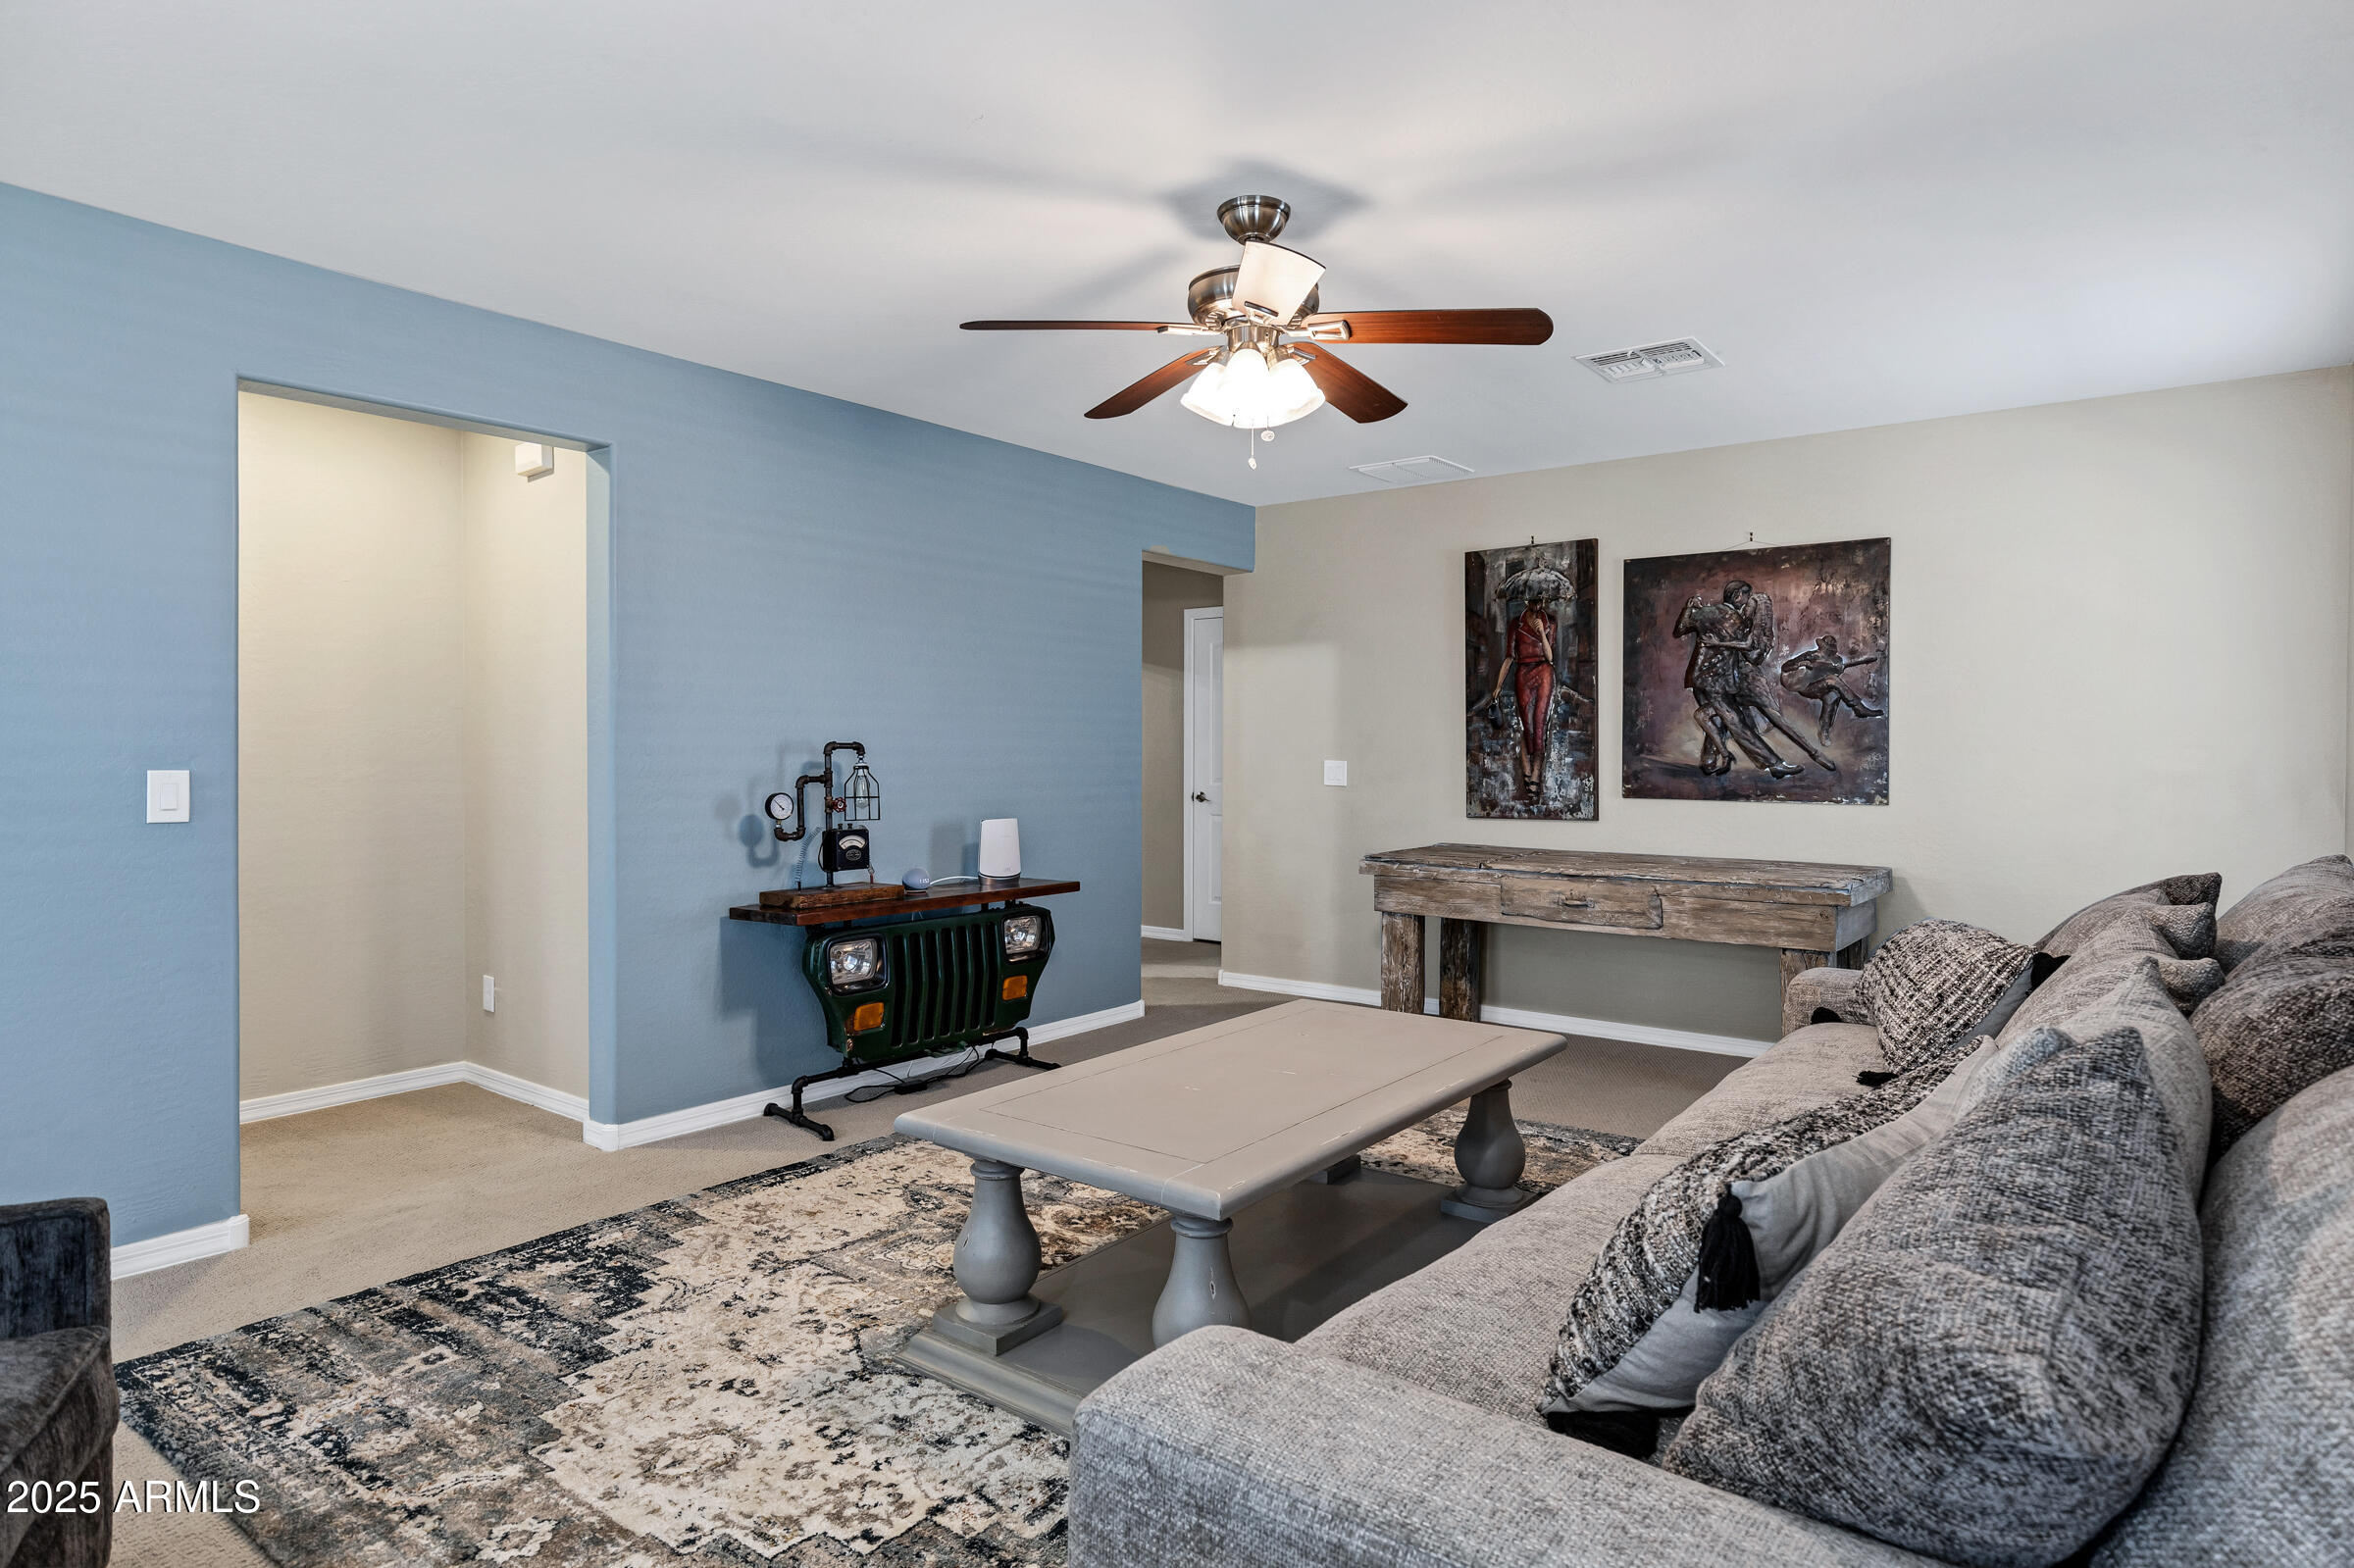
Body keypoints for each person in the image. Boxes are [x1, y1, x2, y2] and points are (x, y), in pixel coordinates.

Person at [1483, 598, 1559, 797]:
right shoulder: (1515, 623)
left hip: (1544, 672)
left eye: (1541, 600)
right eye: (1534, 601)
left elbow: (1550, 657)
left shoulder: (1550, 621)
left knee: (1540, 723)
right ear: (1527, 600)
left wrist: (1542, 632)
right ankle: (1526, 769)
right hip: (1522, 674)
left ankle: (1535, 775)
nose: (1537, 605)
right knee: (1528, 726)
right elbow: (1509, 657)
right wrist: (1498, 686)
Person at [1778, 632, 1883, 740]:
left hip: (1822, 687)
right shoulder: (1811, 655)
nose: (1827, 650)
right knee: (1833, 681)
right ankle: (1859, 708)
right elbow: (1786, 667)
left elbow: (1835, 674)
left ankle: (1825, 730)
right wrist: (1800, 664)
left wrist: (1835, 668)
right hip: (1806, 687)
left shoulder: (1837, 661)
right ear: (1822, 646)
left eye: (1830, 649)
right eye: (1826, 648)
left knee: (1833, 694)